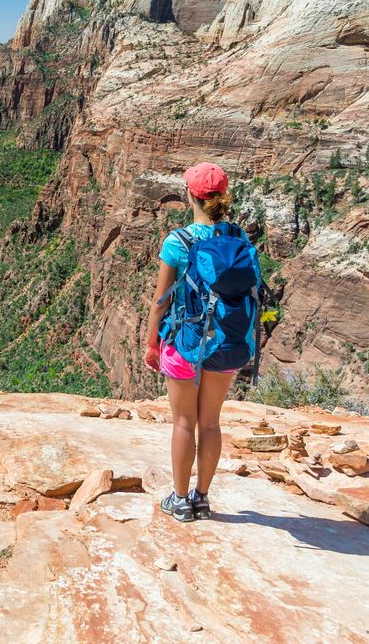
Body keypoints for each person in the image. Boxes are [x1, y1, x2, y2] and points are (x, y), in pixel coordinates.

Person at [143, 162, 253, 523]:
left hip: (185, 342)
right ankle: (202, 499)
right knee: (210, 423)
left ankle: (179, 500)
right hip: (226, 342)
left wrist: (151, 343)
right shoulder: (239, 238)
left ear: (189, 193)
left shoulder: (178, 241)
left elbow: (161, 300)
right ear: (223, 195)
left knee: (183, 423)